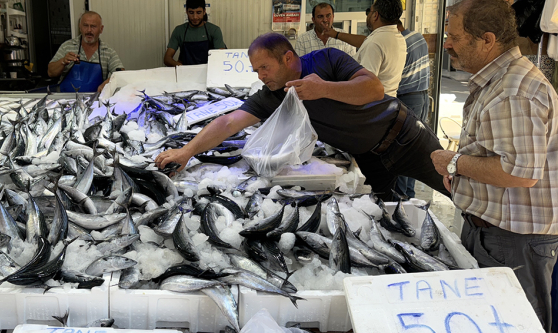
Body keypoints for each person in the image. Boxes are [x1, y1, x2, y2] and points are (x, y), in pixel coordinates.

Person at [156, 32, 448, 201]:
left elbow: (373, 89)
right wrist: (186, 151)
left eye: (264, 67)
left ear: (287, 57)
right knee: (384, 209)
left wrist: (324, 89)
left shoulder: (327, 60)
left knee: (461, 190)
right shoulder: (273, 94)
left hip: (405, 136)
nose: (260, 76)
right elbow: (229, 122)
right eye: (256, 70)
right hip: (369, 155)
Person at [430, 0, 558, 332]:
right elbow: (498, 154)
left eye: (455, 38)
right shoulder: (497, 81)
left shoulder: (514, 90)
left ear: (487, 40)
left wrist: (455, 163)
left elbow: (520, 173)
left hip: (514, 241)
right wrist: (464, 175)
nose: (448, 45)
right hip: (495, 233)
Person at [324, 0, 406, 97]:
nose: (368, 15)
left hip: (373, 106)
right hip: (388, 101)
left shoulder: (375, 43)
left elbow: (365, 85)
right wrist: (336, 34)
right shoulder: (397, 38)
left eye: (369, 11)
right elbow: (364, 41)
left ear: (375, 15)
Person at [394, 22, 431, 198]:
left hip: (408, 97)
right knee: (414, 149)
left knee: (402, 149)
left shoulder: (401, 43)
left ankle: (402, 197)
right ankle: (409, 194)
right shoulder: (418, 37)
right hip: (423, 96)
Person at [48, 11, 124, 93]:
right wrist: (62, 61)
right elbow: (51, 72)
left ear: (101, 29)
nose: (89, 30)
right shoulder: (67, 46)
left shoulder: (108, 51)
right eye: (85, 26)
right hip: (65, 100)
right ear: (80, 27)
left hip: (95, 101)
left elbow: (120, 73)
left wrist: (108, 83)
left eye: (93, 26)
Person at [164, 0, 226, 66]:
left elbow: (222, 57)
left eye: (198, 12)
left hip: (208, 73)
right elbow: (167, 58)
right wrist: (181, 67)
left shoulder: (214, 30)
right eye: (191, 13)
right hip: (186, 74)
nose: (195, 17)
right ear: (186, 11)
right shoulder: (179, 31)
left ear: (204, 11)